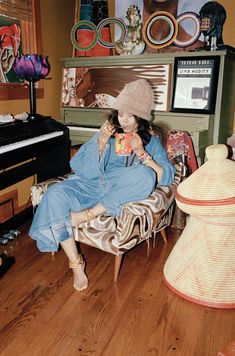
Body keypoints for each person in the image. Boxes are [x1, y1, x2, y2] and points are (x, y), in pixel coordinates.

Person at [29, 79, 175, 292]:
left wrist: (142, 154)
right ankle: (76, 263)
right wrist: (101, 142)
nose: (122, 120)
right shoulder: (108, 133)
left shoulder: (150, 141)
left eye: (129, 115)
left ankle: (86, 215)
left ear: (141, 117)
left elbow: (166, 177)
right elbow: (77, 165)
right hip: (92, 184)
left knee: (144, 175)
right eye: (120, 113)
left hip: (117, 190)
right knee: (55, 195)